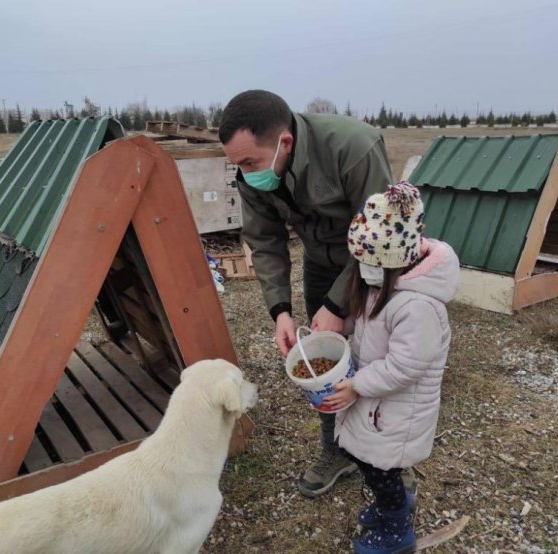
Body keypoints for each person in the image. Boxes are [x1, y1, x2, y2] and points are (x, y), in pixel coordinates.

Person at [219, 90, 395, 497]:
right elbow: (264, 243)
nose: (244, 174)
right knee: (326, 361)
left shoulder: (354, 147)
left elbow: (380, 236)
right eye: (237, 165)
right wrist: (280, 310)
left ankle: (389, 460)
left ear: (285, 143)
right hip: (321, 261)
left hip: (378, 262)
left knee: (377, 356)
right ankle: (337, 450)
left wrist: (337, 304)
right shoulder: (252, 177)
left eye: (249, 163)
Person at [325, 182, 459, 554]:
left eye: (372, 263)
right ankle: (394, 503)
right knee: (366, 460)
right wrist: (341, 330)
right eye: (361, 261)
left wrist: (356, 385)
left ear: (395, 260)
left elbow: (404, 366)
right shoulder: (381, 286)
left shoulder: (418, 307)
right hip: (376, 405)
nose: (364, 269)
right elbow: (369, 324)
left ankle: (398, 528)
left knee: (381, 469)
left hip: (397, 412)